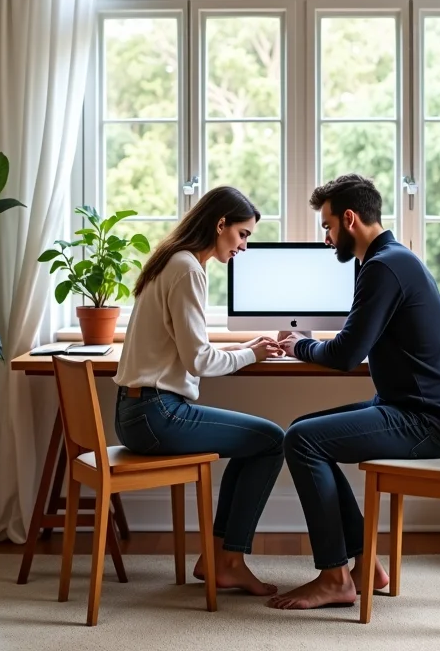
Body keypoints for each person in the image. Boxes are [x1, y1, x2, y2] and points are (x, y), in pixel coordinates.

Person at [267, 174, 440, 610]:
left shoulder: (383, 266)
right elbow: (353, 342)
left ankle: (334, 577)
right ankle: (365, 565)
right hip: (413, 409)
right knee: (303, 430)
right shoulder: (389, 260)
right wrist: (312, 345)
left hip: (425, 421)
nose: (326, 238)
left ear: (350, 218)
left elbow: (345, 354)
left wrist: (297, 346)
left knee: (302, 441)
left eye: (327, 226)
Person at [113, 186, 285, 596]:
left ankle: (219, 558)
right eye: (242, 234)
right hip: (158, 415)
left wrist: (244, 348)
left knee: (257, 442)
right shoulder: (188, 268)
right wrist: (253, 357)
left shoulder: (173, 262)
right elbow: (200, 363)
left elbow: (191, 349)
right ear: (220, 224)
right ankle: (226, 560)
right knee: (273, 440)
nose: (244, 246)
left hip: (136, 413)